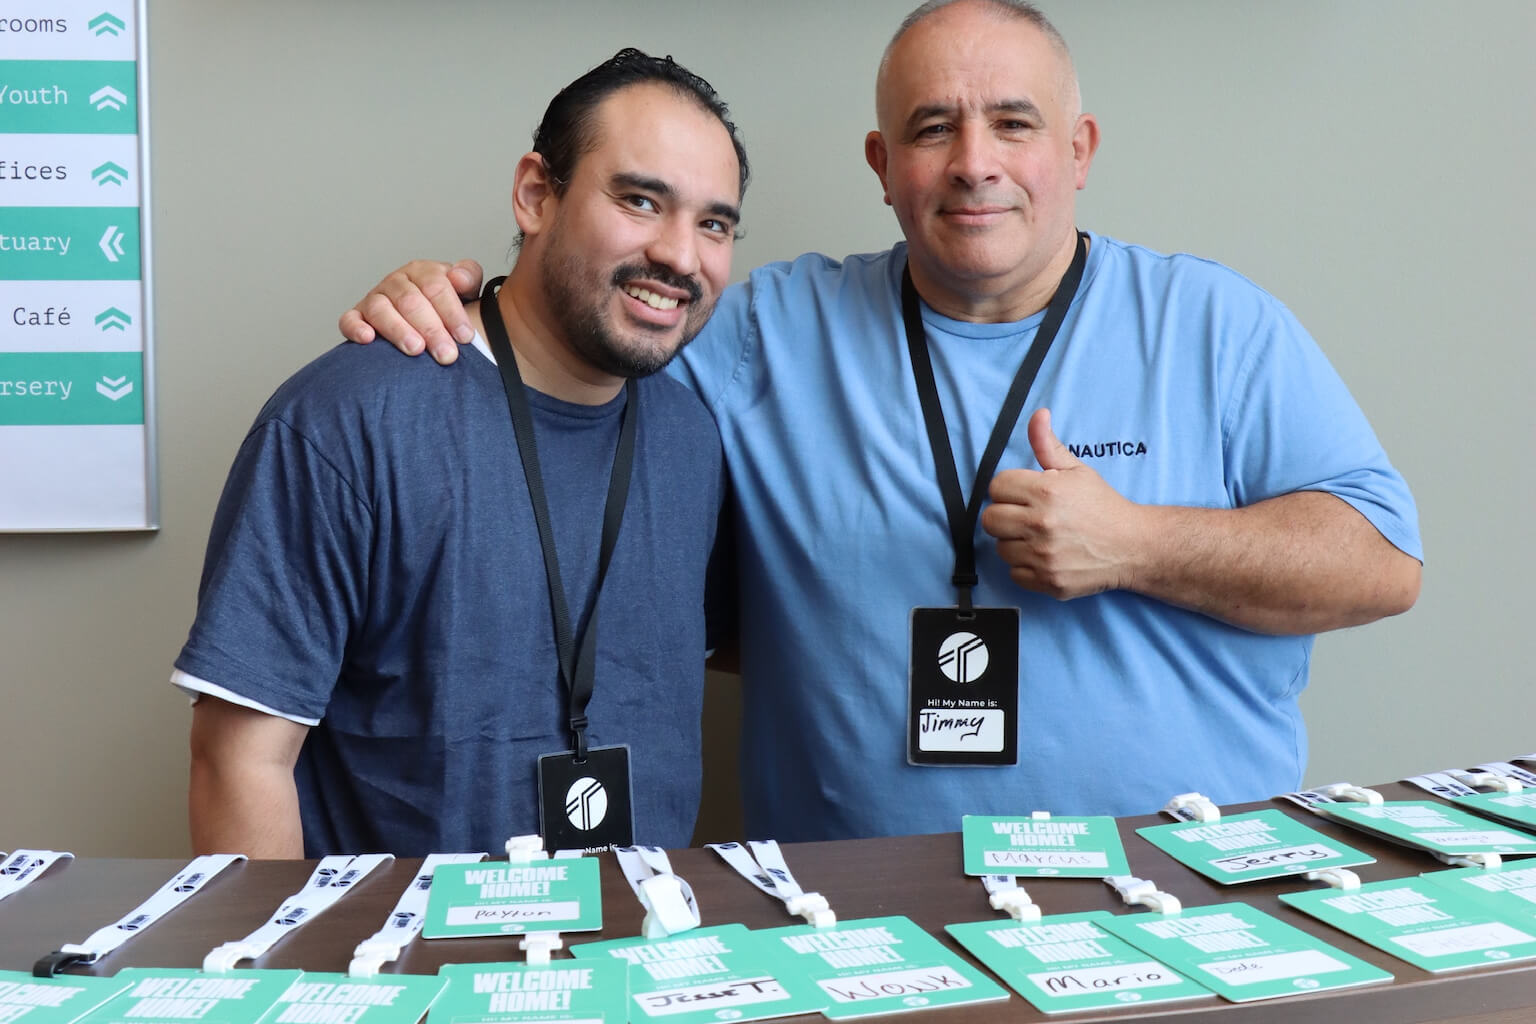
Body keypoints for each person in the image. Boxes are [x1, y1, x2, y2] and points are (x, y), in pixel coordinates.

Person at [341, 0, 1422, 841]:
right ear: (883, 168)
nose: (975, 163)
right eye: (932, 128)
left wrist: (1138, 543)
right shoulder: (767, 329)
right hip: (857, 923)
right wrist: (459, 303)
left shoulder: (1216, 326)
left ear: (1080, 150)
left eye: (1014, 123)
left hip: (1179, 898)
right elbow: (576, 389)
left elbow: (1382, 566)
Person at [173, 49, 748, 857]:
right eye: (641, 200)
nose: (682, 256)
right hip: (401, 970)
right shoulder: (349, 419)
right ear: (535, 194)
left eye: (713, 223)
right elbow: (238, 760)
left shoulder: (692, 438)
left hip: (636, 961)